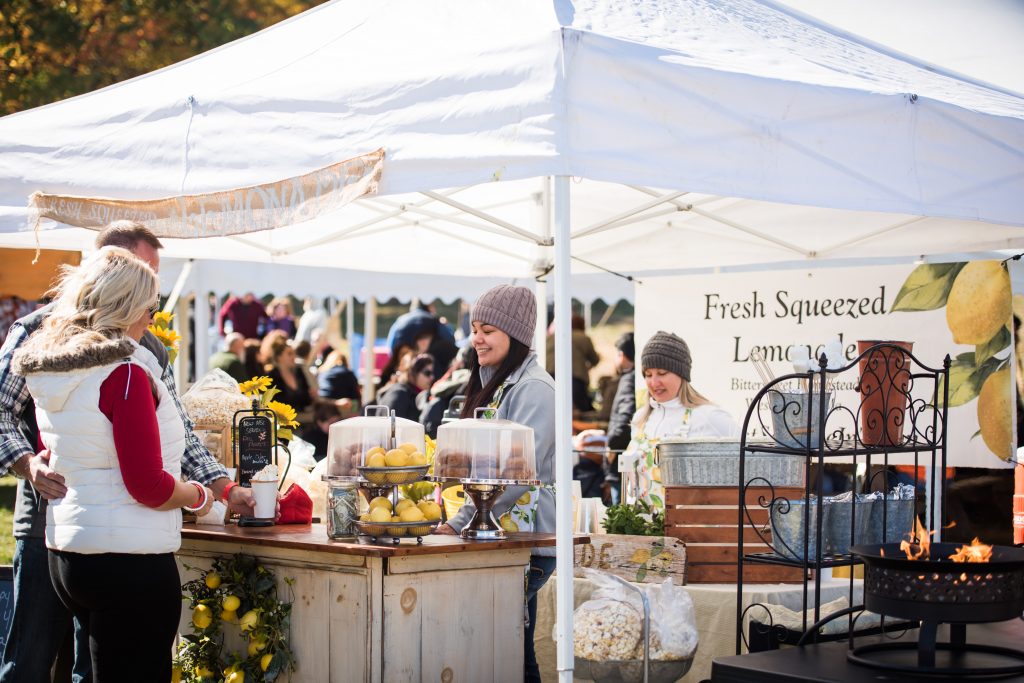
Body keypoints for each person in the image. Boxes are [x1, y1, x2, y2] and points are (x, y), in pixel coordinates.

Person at [0, 221, 258, 683]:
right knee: (30, 661)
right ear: (111, 275)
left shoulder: (142, 350)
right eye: (145, 285)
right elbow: (147, 482)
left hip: (77, 538)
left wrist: (221, 484)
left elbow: (174, 427)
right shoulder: (48, 338)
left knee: (89, 667)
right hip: (69, 530)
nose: (152, 307)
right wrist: (26, 462)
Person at [435, 284, 555, 683]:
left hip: (527, 539)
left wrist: (460, 520)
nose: (477, 339)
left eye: (488, 329)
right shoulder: (498, 381)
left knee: (513, 653)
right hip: (499, 535)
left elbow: (518, 475)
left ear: (516, 335)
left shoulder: (534, 389)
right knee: (506, 647)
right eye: (474, 328)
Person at [622, 331, 738, 513]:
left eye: (662, 373)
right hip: (644, 532)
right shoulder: (641, 419)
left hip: (691, 533)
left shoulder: (709, 416)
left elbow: (745, 464)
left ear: (682, 374)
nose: (654, 382)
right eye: (648, 374)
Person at [546, 315, 600, 413]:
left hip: (550, 378)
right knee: (583, 410)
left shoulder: (552, 337)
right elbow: (595, 360)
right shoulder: (583, 338)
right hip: (575, 379)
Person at [264, 333, 314, 418]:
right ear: (279, 357)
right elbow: (274, 403)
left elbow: (307, 400)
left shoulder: (298, 371)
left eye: (294, 353)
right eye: (289, 354)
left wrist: (311, 395)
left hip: (302, 418)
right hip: (282, 421)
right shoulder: (271, 376)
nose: (294, 357)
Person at [376, 353, 434, 422]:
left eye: (432, 373)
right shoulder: (399, 394)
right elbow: (392, 426)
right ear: (412, 373)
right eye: (427, 373)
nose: (432, 377)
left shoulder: (416, 394)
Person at [606, 332, 636, 452]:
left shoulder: (629, 379)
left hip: (620, 453)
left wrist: (612, 444)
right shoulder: (635, 377)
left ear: (621, 355)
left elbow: (625, 417)